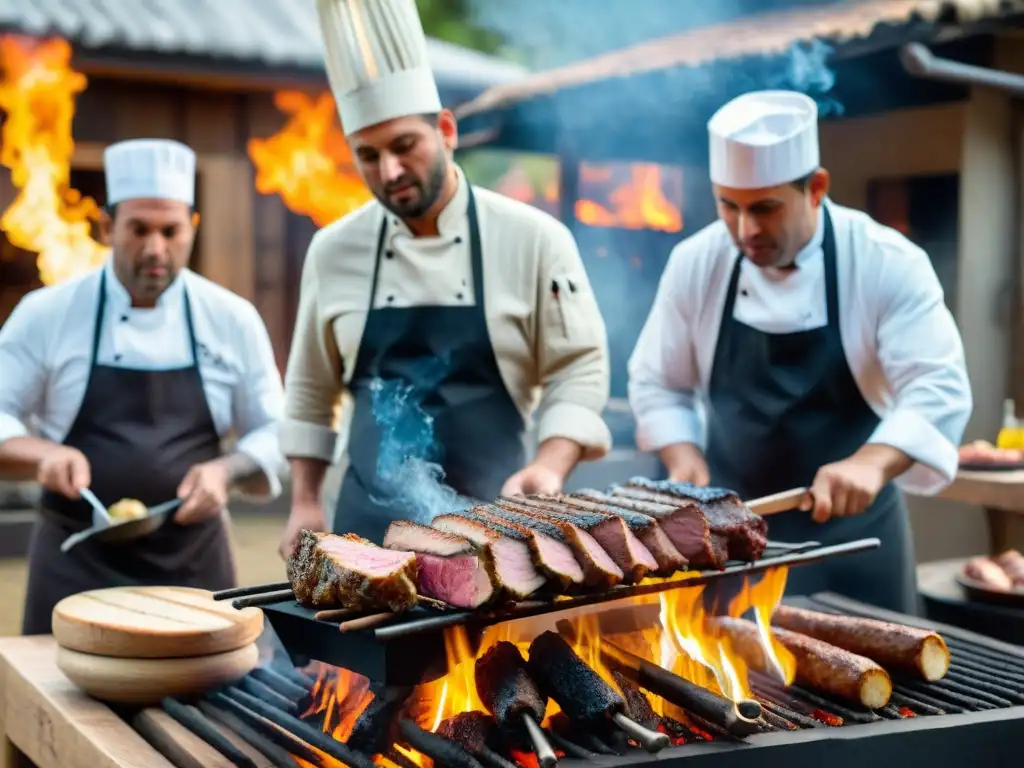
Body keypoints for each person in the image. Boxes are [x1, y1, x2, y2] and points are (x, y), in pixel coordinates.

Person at [278, 0, 611, 556]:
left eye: (404, 145)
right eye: (368, 155)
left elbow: (577, 364)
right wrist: (305, 502)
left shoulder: (533, 239)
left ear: (447, 130)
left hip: (498, 530)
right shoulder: (333, 251)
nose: (389, 171)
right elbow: (311, 389)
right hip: (365, 538)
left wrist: (550, 465)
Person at [627, 90, 972, 614]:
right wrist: (682, 454)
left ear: (816, 188)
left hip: (852, 541)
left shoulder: (886, 261)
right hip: (729, 544)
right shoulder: (696, 262)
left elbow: (937, 386)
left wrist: (873, 463)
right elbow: (659, 381)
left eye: (765, 208)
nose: (746, 230)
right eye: (729, 206)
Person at [0, 138, 286, 634]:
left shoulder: (231, 319)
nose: (156, 248)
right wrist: (44, 456)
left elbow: (276, 432)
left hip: (194, 571)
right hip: (75, 567)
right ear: (108, 227)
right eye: (138, 230)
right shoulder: (49, 313)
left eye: (170, 231)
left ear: (191, 229)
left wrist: (225, 470)